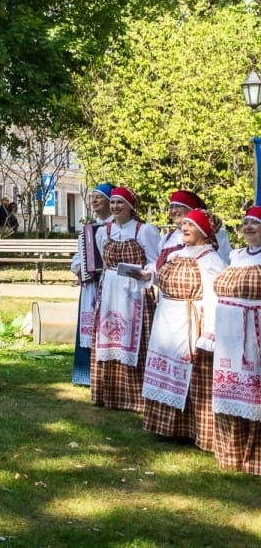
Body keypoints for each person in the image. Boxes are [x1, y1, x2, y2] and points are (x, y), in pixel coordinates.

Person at [142, 208, 223, 448]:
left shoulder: (211, 260)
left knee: (190, 372)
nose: (185, 228)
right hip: (165, 317)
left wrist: (208, 333)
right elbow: (162, 280)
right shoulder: (175, 255)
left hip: (189, 321)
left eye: (191, 225)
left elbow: (215, 299)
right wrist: (148, 277)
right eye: (184, 224)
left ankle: (189, 428)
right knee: (164, 369)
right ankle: (164, 426)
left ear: (204, 231)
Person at [91, 186, 160, 412]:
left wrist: (145, 273)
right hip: (110, 290)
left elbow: (155, 261)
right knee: (110, 336)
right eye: (113, 203)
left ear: (131, 207)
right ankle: (109, 393)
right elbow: (104, 259)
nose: (116, 207)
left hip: (135, 292)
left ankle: (136, 397)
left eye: (121, 203)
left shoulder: (143, 230)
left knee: (135, 338)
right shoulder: (105, 231)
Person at [211, 205, 261, 475]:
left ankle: (255, 455)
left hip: (254, 335)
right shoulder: (236, 255)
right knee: (230, 390)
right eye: (246, 223)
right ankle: (231, 452)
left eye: (255, 223)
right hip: (229, 336)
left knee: (255, 394)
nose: (249, 228)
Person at [70, 183, 114, 386]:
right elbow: (80, 253)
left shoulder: (116, 227)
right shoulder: (90, 227)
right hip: (90, 285)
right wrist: (79, 267)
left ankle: (107, 373)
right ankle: (84, 373)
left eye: (99, 197)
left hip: (109, 285)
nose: (94, 201)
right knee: (87, 326)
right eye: (92, 197)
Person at [157, 190, 231, 266]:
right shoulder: (167, 239)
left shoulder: (210, 232)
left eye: (179, 206)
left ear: (191, 210)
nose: (174, 210)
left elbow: (224, 260)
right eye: (171, 207)